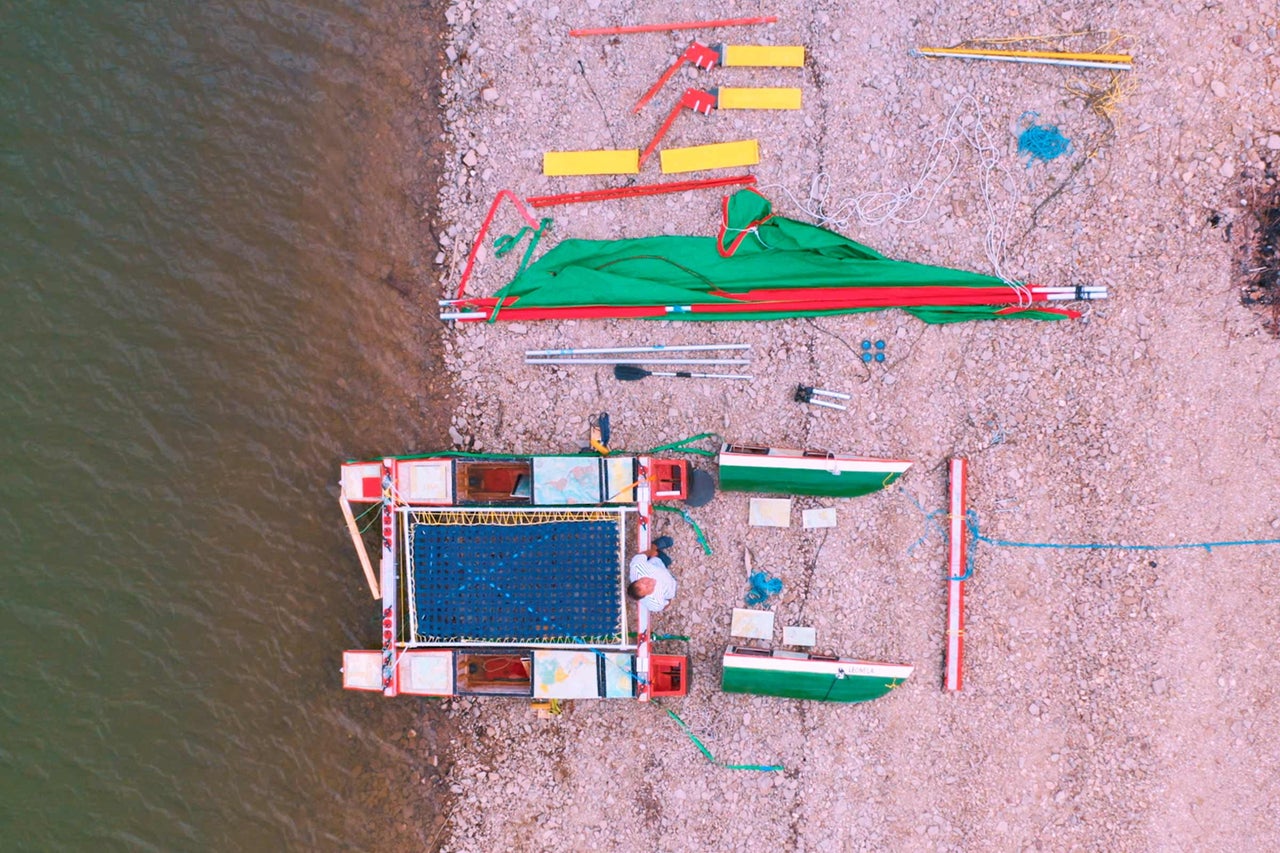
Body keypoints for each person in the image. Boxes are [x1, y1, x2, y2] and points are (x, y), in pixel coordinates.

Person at [627, 542, 677, 613]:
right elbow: (665, 604)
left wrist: (651, 552)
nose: (649, 582)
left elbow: (642, 555)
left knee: (669, 542)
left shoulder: (637, 567)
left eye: (643, 581)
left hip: (658, 564)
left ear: (638, 579)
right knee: (669, 561)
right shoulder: (655, 603)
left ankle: (654, 545)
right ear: (646, 595)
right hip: (671, 585)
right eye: (647, 587)